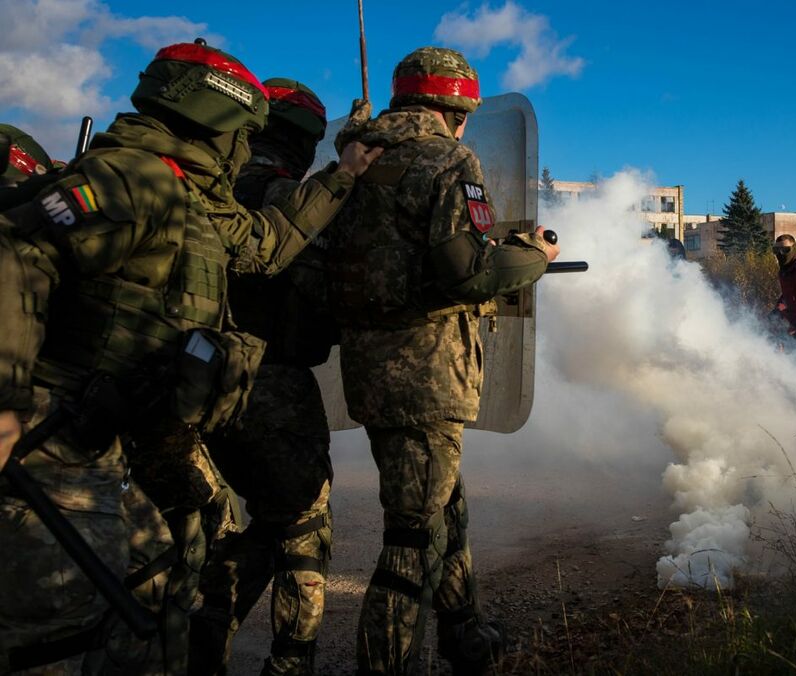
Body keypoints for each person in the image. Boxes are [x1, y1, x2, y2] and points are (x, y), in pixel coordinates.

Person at [0, 40, 380, 674]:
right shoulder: (135, 176)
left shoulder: (193, 194)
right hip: (61, 447)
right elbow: (14, 252)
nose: (245, 147)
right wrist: (6, 405)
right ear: (216, 120)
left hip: (124, 438)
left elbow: (265, 244)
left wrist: (343, 175)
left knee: (165, 576)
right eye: (242, 132)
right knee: (58, 634)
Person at [328, 47, 560, 675]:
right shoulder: (447, 159)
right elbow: (466, 272)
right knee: (410, 537)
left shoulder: (355, 158)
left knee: (442, 509)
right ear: (455, 108)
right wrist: (533, 256)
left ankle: (465, 634)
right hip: (427, 374)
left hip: (371, 372)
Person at [190, 78, 339, 676]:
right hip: (269, 383)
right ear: (304, 140)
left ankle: (203, 635)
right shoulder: (293, 199)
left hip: (192, 379)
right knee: (302, 527)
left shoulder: (206, 189)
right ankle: (289, 662)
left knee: (233, 528)